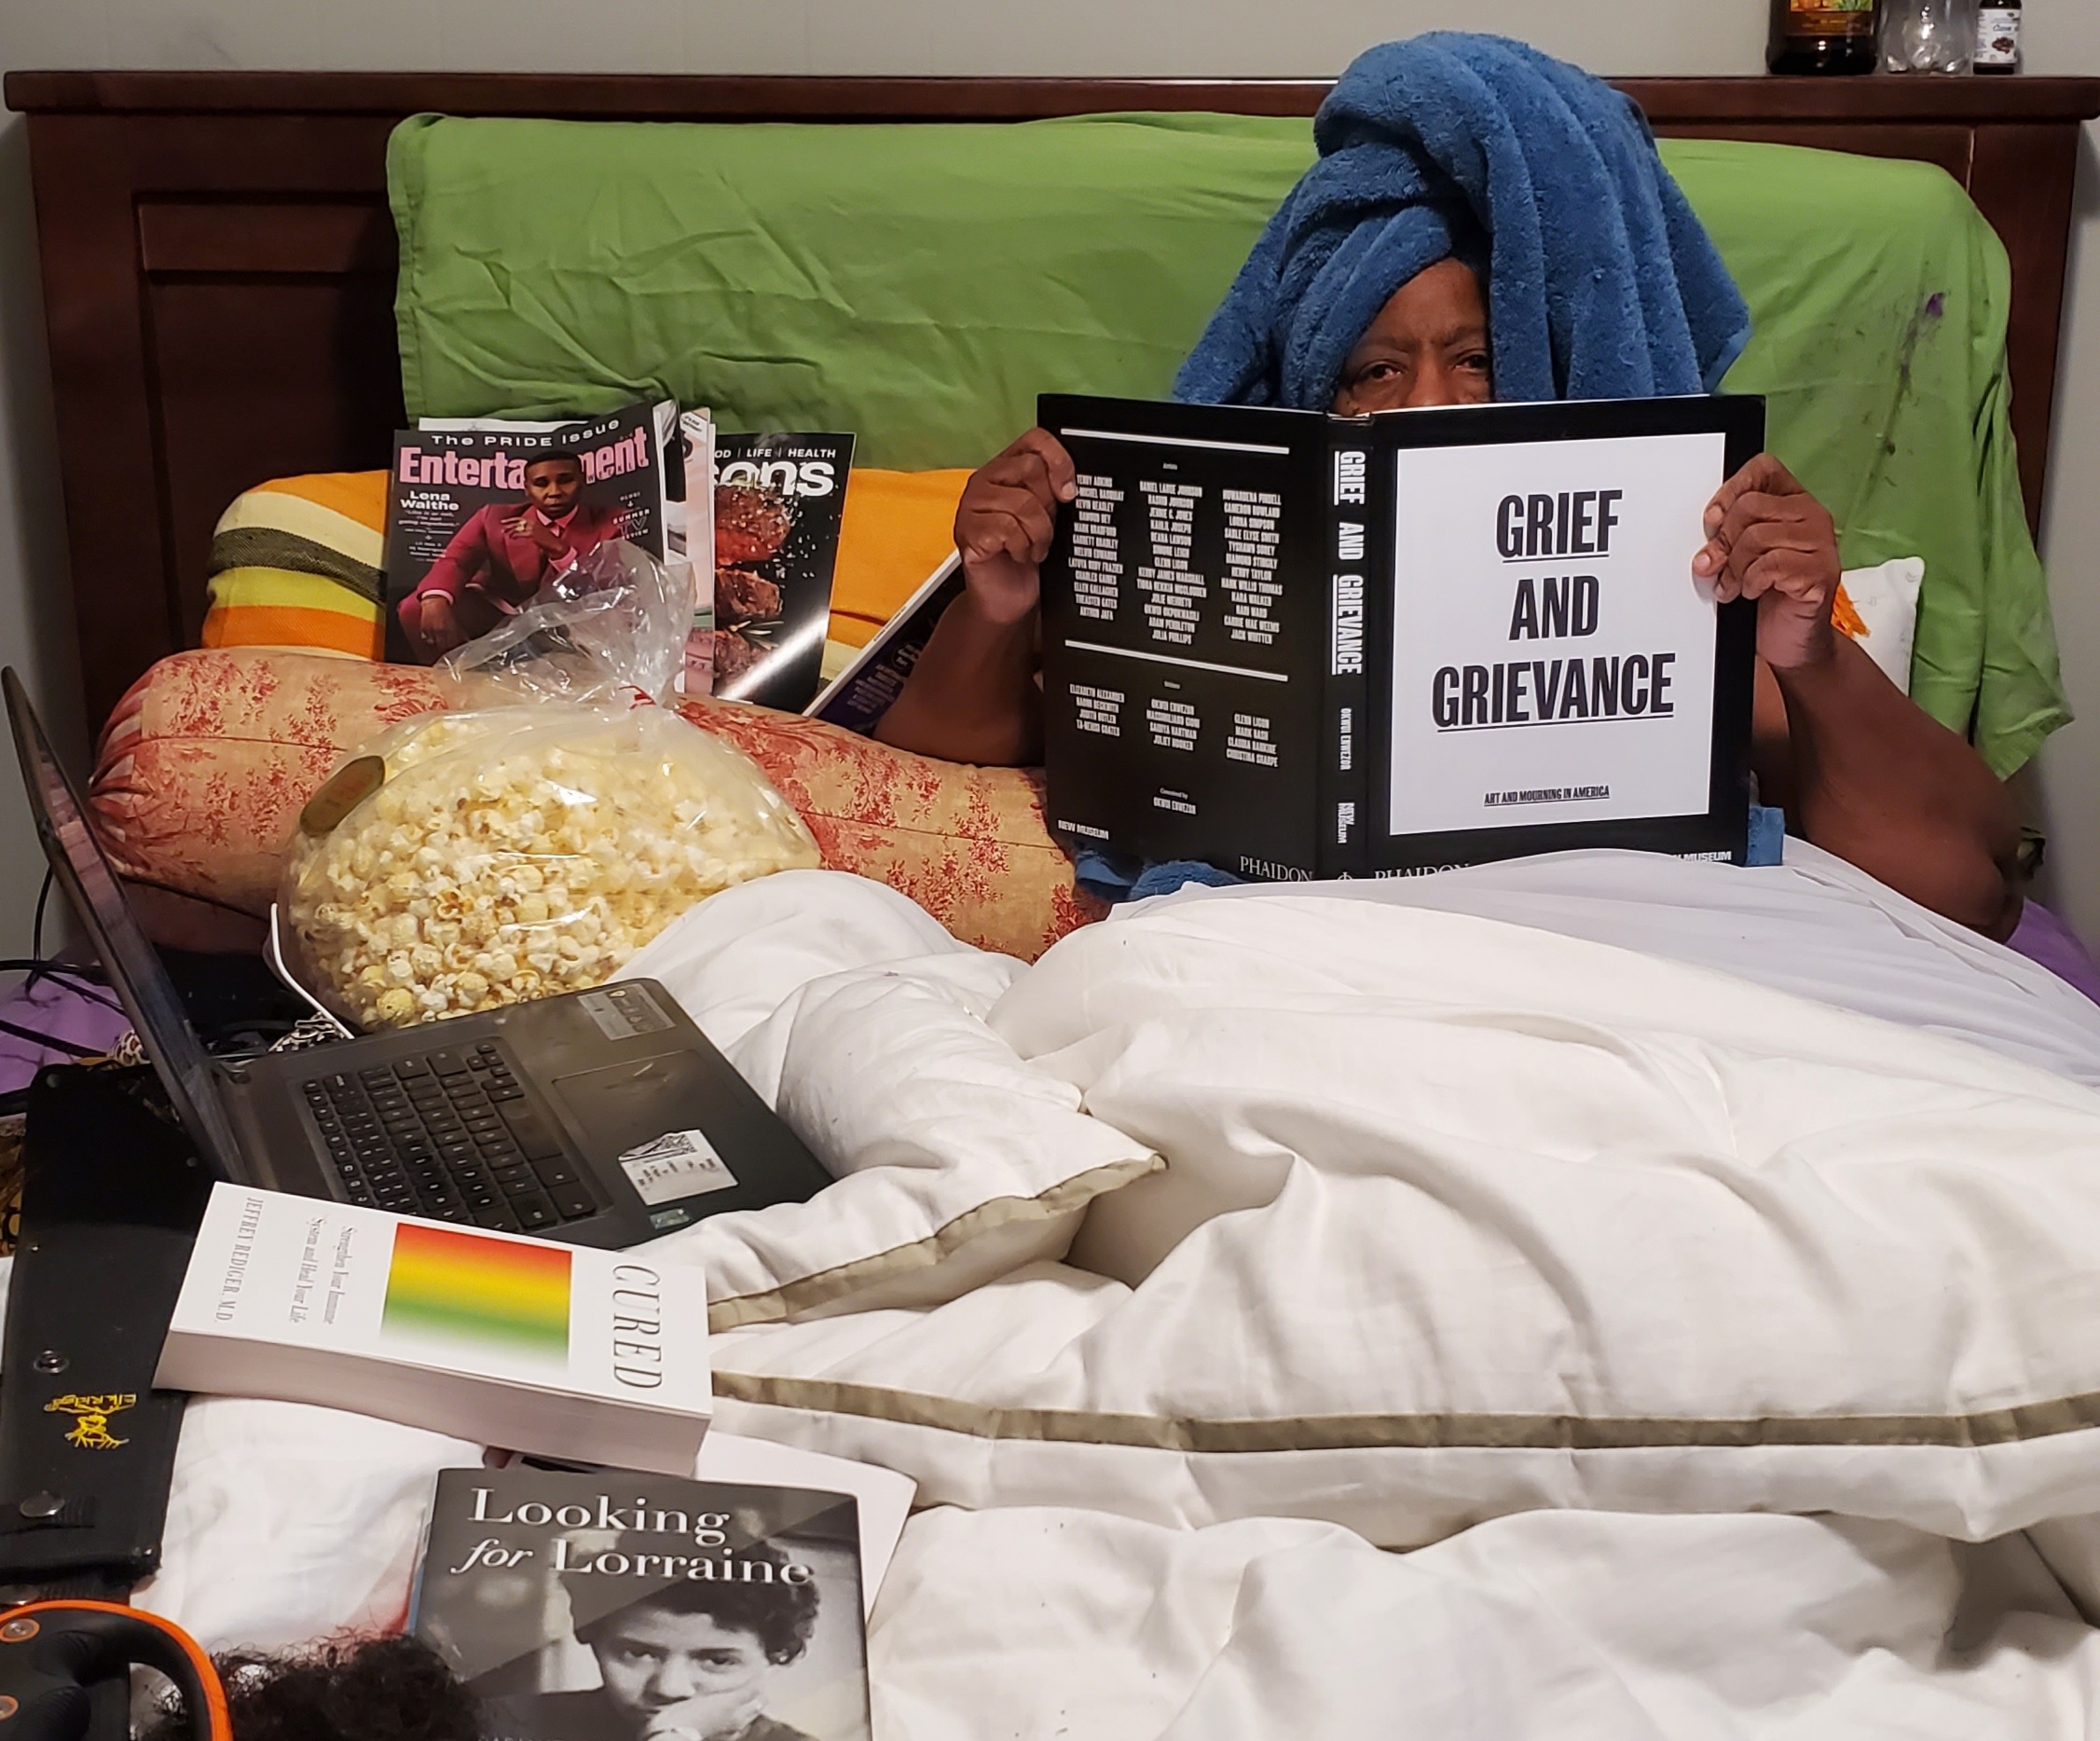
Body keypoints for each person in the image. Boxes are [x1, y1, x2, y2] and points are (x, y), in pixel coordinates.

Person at [874, 42, 2024, 941]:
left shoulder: (1677, 572)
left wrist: (1808, 649)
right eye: (1376, 370)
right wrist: (997, 600)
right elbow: (919, 785)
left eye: (1478, 358)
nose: (1430, 402)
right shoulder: (1227, 585)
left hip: (1601, 981)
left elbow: (1968, 883)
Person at [482, 1544, 823, 1741]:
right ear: (590, 1636)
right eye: (639, 1653)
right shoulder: (503, 1723)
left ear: (778, 1657)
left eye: (718, 1661)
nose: (670, 1688)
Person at [399, 451, 625, 660]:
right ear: (526, 488)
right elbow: (457, 559)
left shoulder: (612, 521)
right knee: (416, 608)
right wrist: (435, 600)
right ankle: (442, 680)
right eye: (541, 483)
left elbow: (605, 591)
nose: (554, 492)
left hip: (571, 623)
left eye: (565, 480)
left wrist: (559, 549)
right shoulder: (494, 516)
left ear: (582, 480)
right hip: (505, 613)